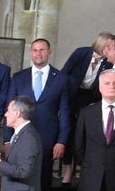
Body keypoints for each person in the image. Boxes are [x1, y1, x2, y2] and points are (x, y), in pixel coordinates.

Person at [8, 39, 71, 178]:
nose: (38, 53)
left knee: (43, 182)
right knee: (20, 180)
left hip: (47, 139)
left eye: (42, 50)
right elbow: (10, 109)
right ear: (31, 53)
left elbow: (65, 112)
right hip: (20, 138)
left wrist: (61, 141)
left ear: (49, 52)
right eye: (35, 50)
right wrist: (8, 139)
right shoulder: (18, 77)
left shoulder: (61, 78)